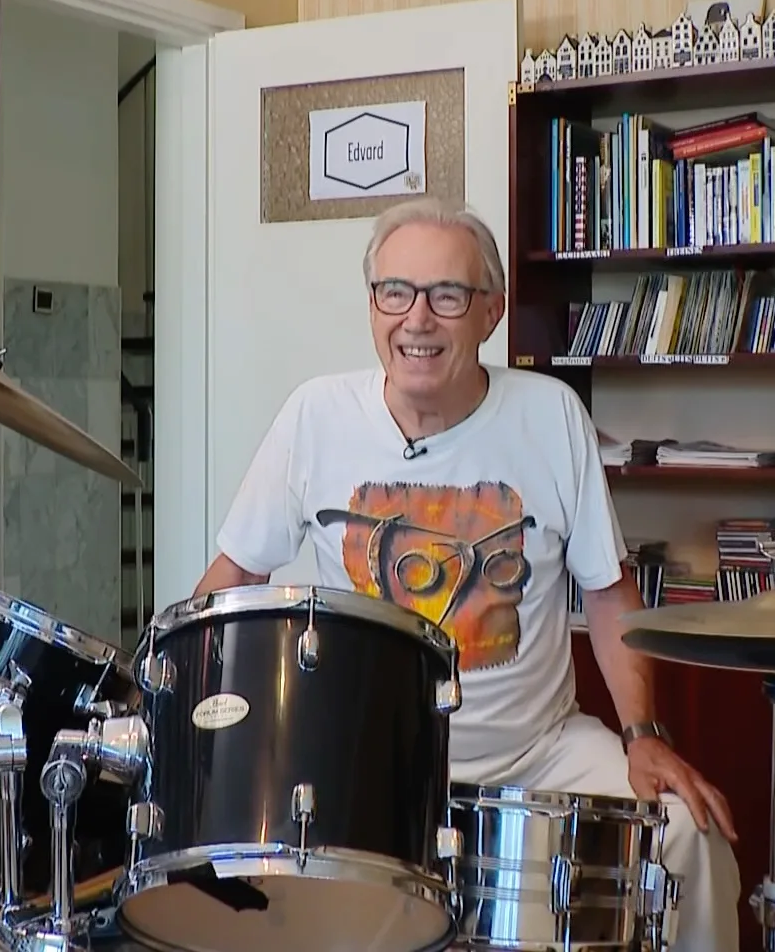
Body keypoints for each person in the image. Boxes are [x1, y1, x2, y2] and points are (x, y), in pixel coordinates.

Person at [191, 198, 742, 951]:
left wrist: (643, 734)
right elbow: (231, 578)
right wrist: (181, 703)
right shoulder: (314, 416)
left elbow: (608, 592)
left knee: (689, 835)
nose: (417, 319)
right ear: (373, 305)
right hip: (358, 766)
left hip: (538, 753)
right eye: (395, 292)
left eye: (447, 295)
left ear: (491, 312)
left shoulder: (551, 415)